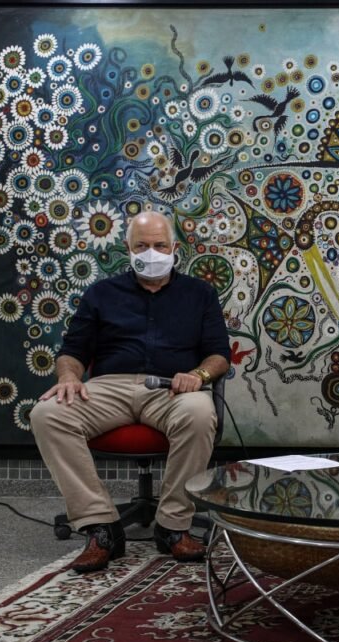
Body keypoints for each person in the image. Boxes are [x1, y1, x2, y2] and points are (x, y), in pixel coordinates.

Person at [31, 211, 231, 573]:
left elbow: (219, 354)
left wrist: (198, 375)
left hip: (171, 389)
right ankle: (101, 527)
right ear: (128, 248)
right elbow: (72, 352)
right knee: (47, 414)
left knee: (201, 413)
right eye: (142, 246)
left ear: (174, 249)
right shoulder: (101, 293)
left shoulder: (200, 293)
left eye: (159, 245)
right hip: (110, 387)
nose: (151, 253)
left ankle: (173, 526)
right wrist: (68, 377)